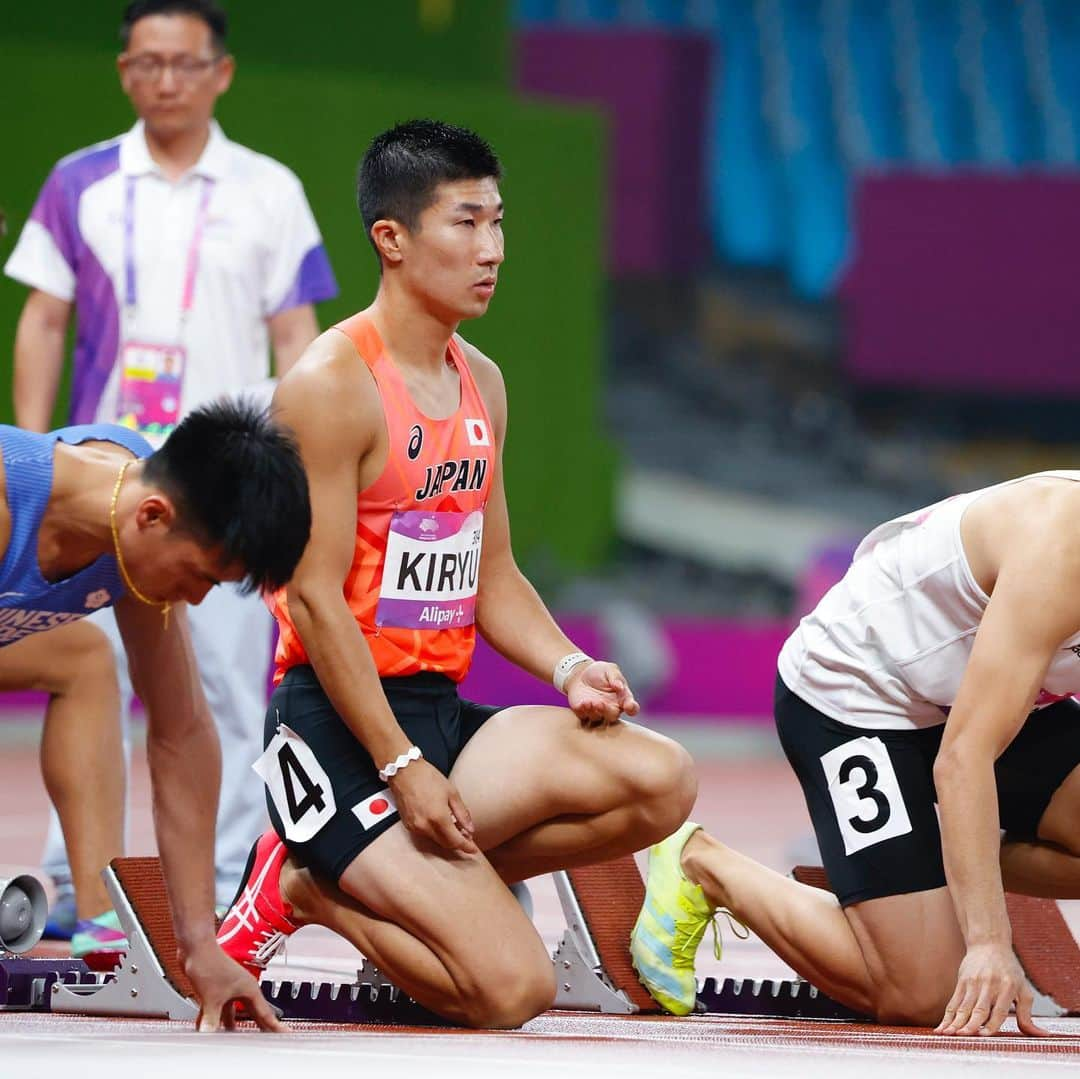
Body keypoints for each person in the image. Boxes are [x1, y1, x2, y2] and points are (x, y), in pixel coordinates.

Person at [215, 119, 697, 1028]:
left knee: (661, 778)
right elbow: (314, 601)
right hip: (335, 725)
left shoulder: (484, 380)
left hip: (441, 713)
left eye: (499, 223)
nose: (494, 251)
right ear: (390, 240)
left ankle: (406, 883)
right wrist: (398, 766)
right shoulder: (328, 384)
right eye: (466, 224)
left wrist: (569, 669)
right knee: (512, 989)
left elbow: (496, 572)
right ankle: (308, 887)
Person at [3, 0, 337, 929]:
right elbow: (42, 319)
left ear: (220, 71)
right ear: (123, 70)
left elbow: (296, 340)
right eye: (147, 62)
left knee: (203, 688)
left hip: (216, 482)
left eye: (185, 64)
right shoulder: (81, 183)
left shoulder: (268, 189)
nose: (166, 80)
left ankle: (216, 882)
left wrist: (285, 480)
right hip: (108, 467)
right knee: (88, 664)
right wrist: (28, 447)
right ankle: (79, 881)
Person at [631, 471, 1080, 1037]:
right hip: (857, 694)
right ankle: (704, 865)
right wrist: (988, 943)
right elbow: (964, 759)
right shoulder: (1063, 546)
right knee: (921, 992)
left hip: (972, 696)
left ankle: (907, 869)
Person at [0, 398, 310, 1030]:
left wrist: (200, 944)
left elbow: (183, 732)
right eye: (200, 576)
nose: (197, 598)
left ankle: (100, 927)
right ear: (153, 516)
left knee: (84, 661)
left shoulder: (134, 515)